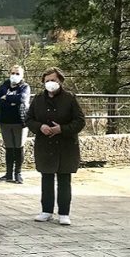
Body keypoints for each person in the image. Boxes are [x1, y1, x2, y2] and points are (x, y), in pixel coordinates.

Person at [26, 67, 85, 226]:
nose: (50, 83)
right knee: (47, 178)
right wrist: (40, 127)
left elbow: (80, 121)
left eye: (53, 80)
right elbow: (29, 119)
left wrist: (62, 129)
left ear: (60, 81)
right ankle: (46, 210)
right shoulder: (38, 99)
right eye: (47, 81)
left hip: (66, 146)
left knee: (64, 179)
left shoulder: (70, 99)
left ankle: (64, 213)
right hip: (45, 146)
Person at [0, 65, 31, 183]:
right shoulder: (4, 86)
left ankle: (18, 173)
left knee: (19, 147)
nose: (14, 75)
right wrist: (10, 101)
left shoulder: (25, 87)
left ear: (22, 75)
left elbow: (22, 99)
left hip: (20, 121)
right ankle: (8, 174)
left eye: (17, 73)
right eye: (13, 73)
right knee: (9, 148)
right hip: (5, 121)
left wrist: (6, 98)